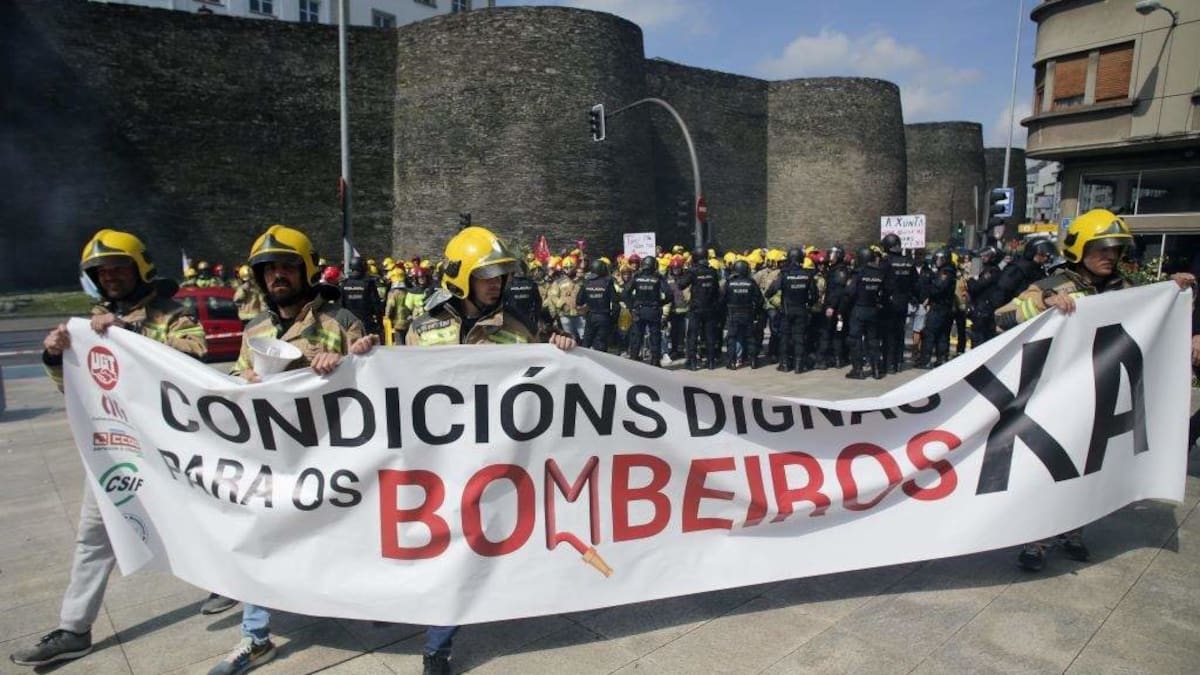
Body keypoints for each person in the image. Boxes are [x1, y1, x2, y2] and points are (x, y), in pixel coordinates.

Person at [10, 229, 233, 669]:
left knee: (207, 518)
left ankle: (230, 582)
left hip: (173, 452)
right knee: (93, 536)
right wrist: (56, 357)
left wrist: (128, 334)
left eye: (118, 268)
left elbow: (194, 358)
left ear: (140, 268)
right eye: (102, 272)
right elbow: (76, 391)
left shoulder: (173, 316)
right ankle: (74, 628)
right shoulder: (93, 324)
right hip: (118, 450)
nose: (110, 277)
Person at [398, 226, 575, 674]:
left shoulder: (518, 329)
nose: (497, 283)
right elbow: (395, 385)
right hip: (438, 462)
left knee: (475, 549)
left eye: (501, 274)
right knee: (442, 551)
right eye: (486, 275)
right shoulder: (423, 328)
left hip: (495, 463)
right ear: (462, 277)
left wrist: (560, 348)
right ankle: (429, 628)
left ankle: (437, 646)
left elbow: (546, 383)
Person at [207, 225, 372, 675]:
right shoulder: (255, 329)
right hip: (272, 455)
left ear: (307, 270)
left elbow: (372, 382)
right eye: (268, 269)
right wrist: (243, 381)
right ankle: (255, 635)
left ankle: (373, 600)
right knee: (257, 534)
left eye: (286, 266)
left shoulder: (340, 322)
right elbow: (237, 378)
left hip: (328, 454)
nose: (277, 275)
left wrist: (346, 361)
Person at [994, 209, 1194, 571]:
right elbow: (1002, 317)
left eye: (1115, 249)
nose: (1110, 256)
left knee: (1089, 470)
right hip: (1056, 399)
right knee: (1047, 472)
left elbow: (1152, 313)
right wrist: (1043, 302)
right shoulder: (1055, 283)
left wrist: (1172, 290)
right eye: (1101, 248)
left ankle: (1073, 531)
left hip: (1102, 398)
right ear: (1080, 249)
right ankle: (1036, 540)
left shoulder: (1125, 288)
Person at [768, 247, 819, 373]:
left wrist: (777, 303)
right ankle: (798, 365)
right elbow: (815, 295)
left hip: (786, 310)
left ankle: (784, 364)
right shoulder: (807, 274)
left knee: (784, 337)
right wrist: (808, 304)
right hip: (801, 309)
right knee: (799, 337)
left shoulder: (784, 274)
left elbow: (770, 291)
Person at [841, 247, 886, 380]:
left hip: (859, 309)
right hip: (873, 309)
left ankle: (858, 370)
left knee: (854, 340)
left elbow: (850, 292)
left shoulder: (858, 273)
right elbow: (885, 290)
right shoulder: (879, 273)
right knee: (873, 340)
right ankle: (876, 369)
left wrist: (843, 309)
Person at [624, 256, 670, 366]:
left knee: (637, 336)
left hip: (639, 310)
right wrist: (660, 303)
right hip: (653, 310)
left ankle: (634, 359)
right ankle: (655, 361)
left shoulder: (637, 277)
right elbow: (669, 294)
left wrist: (631, 306)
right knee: (655, 337)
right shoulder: (658, 277)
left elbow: (625, 293)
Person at [880, 233, 917, 372]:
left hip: (889, 302)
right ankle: (898, 362)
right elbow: (915, 282)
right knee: (900, 332)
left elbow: (881, 280)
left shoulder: (886, 261)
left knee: (888, 334)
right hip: (903, 301)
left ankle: (889, 364)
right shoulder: (909, 261)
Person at [915, 249, 956, 369]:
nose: (937, 261)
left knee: (930, 333)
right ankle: (941, 358)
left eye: (940, 259)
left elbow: (938, 288)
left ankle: (925, 360)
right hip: (944, 307)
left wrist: (928, 288)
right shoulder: (946, 271)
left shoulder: (945, 272)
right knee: (942, 335)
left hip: (939, 308)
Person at [723, 259, 765, 370]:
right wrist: (756, 312)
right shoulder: (751, 282)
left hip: (733, 313)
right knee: (750, 337)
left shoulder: (729, 283)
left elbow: (722, 299)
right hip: (748, 313)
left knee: (732, 337)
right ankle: (753, 361)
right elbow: (759, 300)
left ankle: (731, 362)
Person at [686, 247, 722, 370]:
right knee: (710, 336)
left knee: (693, 335)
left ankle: (692, 363)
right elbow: (717, 290)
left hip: (696, 309)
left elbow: (681, 284)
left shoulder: (693, 271)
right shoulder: (712, 271)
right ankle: (711, 362)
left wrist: (687, 270)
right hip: (710, 308)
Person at [577, 258, 620, 353]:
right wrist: (613, 319)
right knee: (601, 344)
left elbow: (579, 301)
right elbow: (615, 303)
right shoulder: (607, 282)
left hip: (590, 316)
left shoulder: (586, 282)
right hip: (604, 316)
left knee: (586, 342)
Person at [818, 246, 850, 369]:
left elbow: (837, 291)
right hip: (837, 307)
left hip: (835, 307)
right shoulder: (836, 269)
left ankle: (825, 360)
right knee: (836, 333)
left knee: (828, 332)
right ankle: (837, 358)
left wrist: (831, 306)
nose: (830, 256)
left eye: (833, 254)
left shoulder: (839, 271)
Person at [339, 256, 383, 338]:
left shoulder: (344, 284)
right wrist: (380, 324)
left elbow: (340, 306)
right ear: (363, 268)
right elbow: (376, 306)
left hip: (348, 325)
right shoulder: (369, 283)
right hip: (366, 324)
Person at [967, 246, 1001, 346]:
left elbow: (976, 286)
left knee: (980, 338)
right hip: (979, 306)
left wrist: (971, 278)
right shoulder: (984, 269)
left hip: (984, 309)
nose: (983, 258)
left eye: (986, 256)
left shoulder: (992, 271)